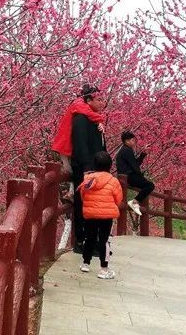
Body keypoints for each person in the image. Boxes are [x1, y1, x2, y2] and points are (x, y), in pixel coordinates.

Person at [68, 84, 107, 254]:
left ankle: (93, 241)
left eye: (102, 99)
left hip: (95, 168)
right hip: (86, 169)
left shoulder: (92, 118)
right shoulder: (80, 118)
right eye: (98, 99)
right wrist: (86, 168)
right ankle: (81, 242)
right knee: (82, 203)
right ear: (88, 100)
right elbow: (80, 145)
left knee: (94, 204)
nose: (101, 103)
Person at [77, 151, 122, 279]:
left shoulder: (88, 180)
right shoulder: (113, 181)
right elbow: (118, 199)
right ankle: (104, 269)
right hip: (107, 215)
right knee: (104, 240)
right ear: (110, 165)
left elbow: (83, 196)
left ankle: (85, 263)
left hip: (91, 213)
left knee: (89, 237)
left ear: (94, 165)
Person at [115, 130, 155, 216]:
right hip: (128, 176)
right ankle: (134, 202)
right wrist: (141, 176)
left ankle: (134, 202)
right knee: (150, 185)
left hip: (125, 176)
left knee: (146, 184)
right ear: (126, 141)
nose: (134, 142)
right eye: (133, 140)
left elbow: (134, 164)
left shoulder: (125, 149)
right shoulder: (127, 150)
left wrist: (143, 153)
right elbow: (135, 167)